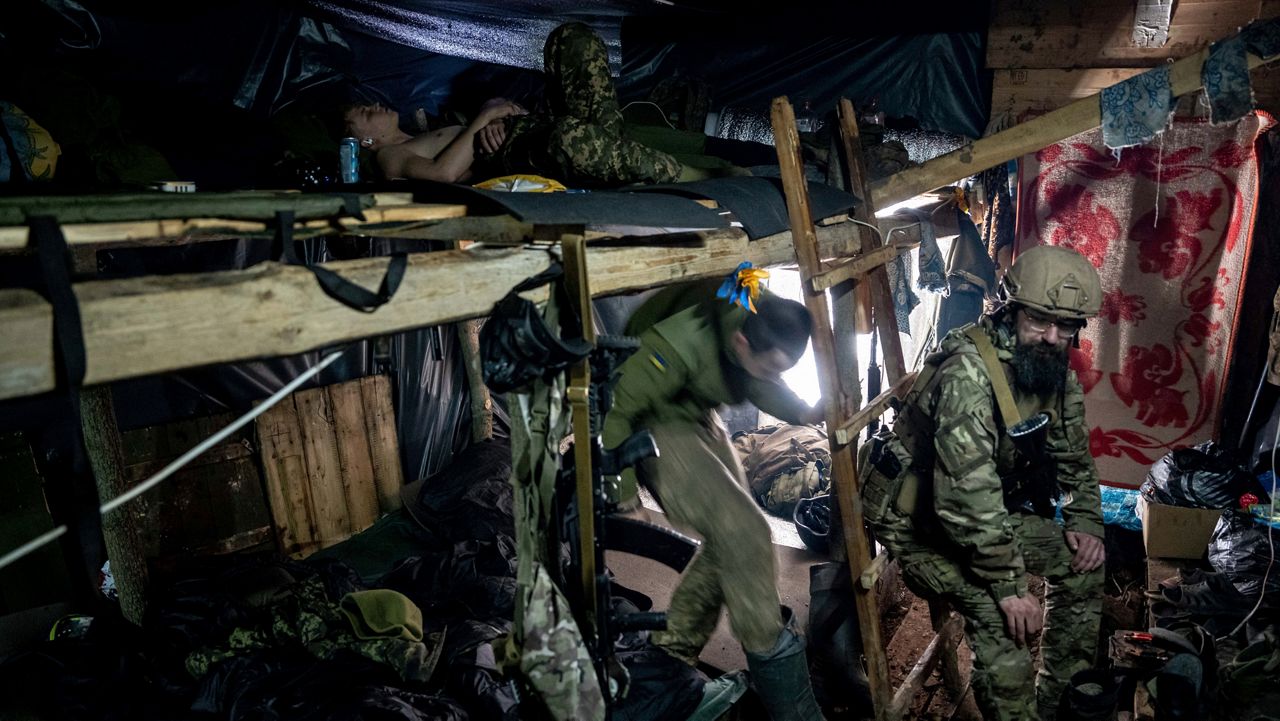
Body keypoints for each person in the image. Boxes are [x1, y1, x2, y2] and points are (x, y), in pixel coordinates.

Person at [859, 245, 1106, 721]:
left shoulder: (1053, 372)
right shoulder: (969, 376)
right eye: (1039, 320)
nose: (1052, 337)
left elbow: (1073, 456)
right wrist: (1011, 585)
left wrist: (1086, 520)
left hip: (981, 518)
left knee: (1084, 563)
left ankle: (1059, 704)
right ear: (1010, 310)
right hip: (920, 525)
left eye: (1066, 326)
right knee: (1001, 615)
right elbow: (965, 498)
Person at [601, 273, 828, 721]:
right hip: (654, 422)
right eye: (768, 364)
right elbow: (617, 408)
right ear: (742, 342)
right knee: (743, 534)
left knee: (739, 538)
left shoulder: (755, 312)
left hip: (697, 409)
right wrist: (623, 495)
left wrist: (803, 411)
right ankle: (792, 707)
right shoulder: (677, 342)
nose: (772, 374)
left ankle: (671, 653)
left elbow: (759, 378)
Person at [343, 23, 686, 188]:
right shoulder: (387, 157)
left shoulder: (419, 132)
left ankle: (610, 154)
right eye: (360, 114)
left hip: (531, 127)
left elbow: (461, 147)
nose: (369, 105)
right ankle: (687, 174)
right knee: (571, 138)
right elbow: (444, 174)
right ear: (364, 142)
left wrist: (506, 115)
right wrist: (488, 114)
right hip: (525, 149)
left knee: (569, 40)